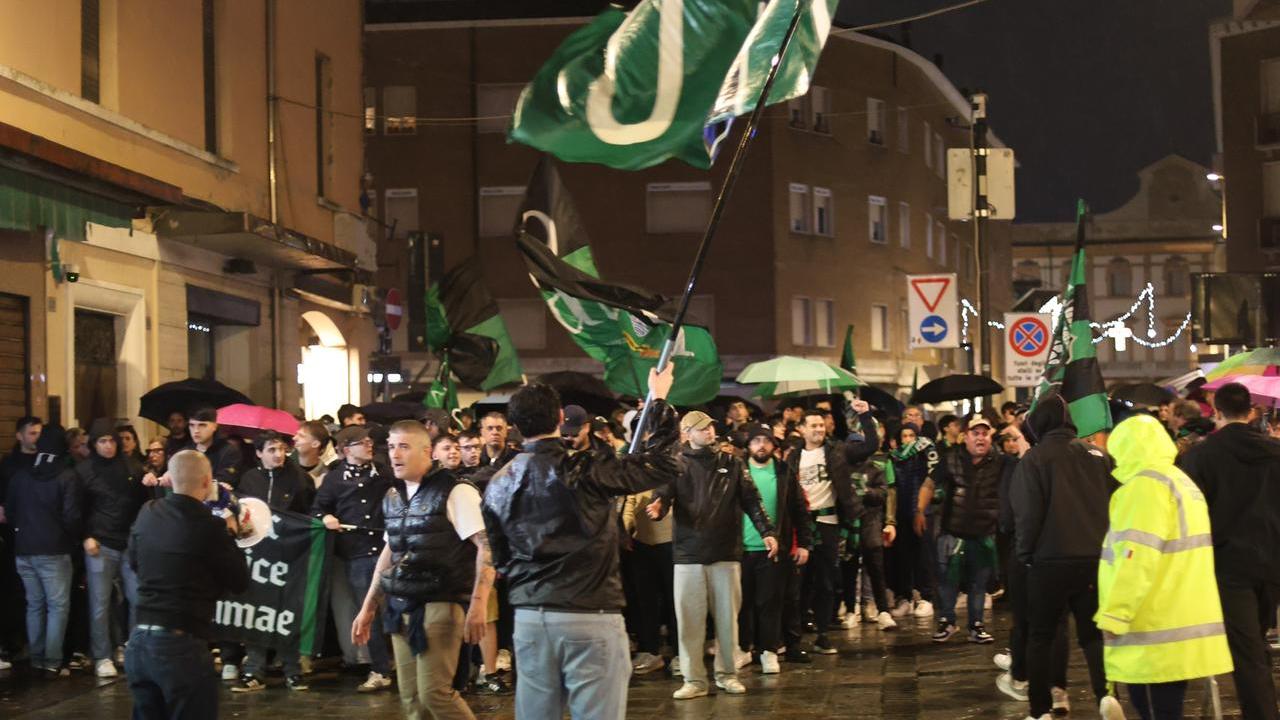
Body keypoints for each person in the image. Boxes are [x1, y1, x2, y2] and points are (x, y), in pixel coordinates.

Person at [481, 367, 680, 720]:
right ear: (560, 417)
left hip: (530, 615)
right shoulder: (587, 469)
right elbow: (663, 463)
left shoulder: (499, 483)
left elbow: (500, 557)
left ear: (514, 425)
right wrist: (659, 400)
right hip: (590, 615)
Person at [351, 420, 493, 720]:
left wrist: (478, 606)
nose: (394, 454)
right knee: (412, 700)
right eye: (390, 446)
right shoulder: (393, 496)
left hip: (441, 603)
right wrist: (368, 608)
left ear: (427, 451)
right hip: (401, 604)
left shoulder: (456, 491)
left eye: (403, 446)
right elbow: (389, 553)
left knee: (435, 694)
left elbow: (486, 547)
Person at [1096, 414, 1233, 720]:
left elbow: (1136, 557)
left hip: (1152, 628)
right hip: (1180, 621)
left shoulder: (1143, 488)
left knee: (1155, 711)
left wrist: (1116, 614)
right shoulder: (1181, 482)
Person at [647, 411, 777, 699]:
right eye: (702, 428)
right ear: (686, 433)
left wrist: (767, 530)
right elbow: (663, 494)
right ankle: (693, 680)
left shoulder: (731, 462)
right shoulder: (676, 465)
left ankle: (727, 674)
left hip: (725, 552)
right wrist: (658, 506)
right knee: (689, 622)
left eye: (710, 427)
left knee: (728, 621)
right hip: (688, 554)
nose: (709, 431)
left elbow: (751, 499)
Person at [1012, 392, 1119, 720]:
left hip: (1050, 560)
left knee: (1041, 636)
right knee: (1092, 635)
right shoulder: (1098, 456)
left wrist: (1026, 553)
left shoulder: (1034, 459)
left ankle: (1040, 708)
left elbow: (1028, 513)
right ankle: (1105, 696)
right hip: (1094, 559)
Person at [1180, 381, 1280, 720]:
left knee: (1247, 647)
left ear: (1216, 411)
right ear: (1250, 411)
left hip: (1227, 565)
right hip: (1272, 561)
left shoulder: (1200, 456)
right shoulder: (1275, 451)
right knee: (1256, 639)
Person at [125, 450, 250, 720]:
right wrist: (231, 532)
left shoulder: (148, 512)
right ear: (207, 482)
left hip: (139, 642)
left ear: (171, 479)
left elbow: (134, 561)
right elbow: (239, 580)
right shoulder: (210, 526)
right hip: (181, 645)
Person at [232, 431, 315, 692]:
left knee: (286, 613)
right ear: (258, 453)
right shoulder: (249, 478)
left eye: (281, 449)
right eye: (271, 449)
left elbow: (308, 514)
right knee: (256, 614)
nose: (278, 454)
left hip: (288, 557)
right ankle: (254, 670)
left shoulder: (300, 479)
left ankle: (293, 670)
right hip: (256, 559)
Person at [315, 425, 394, 693]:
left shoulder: (384, 471)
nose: (369, 445)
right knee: (369, 612)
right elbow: (319, 507)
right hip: (357, 553)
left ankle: (403, 664)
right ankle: (381, 668)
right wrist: (326, 517)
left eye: (370, 440)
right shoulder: (335, 479)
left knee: (397, 610)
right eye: (362, 442)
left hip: (388, 549)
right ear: (347, 449)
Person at [922, 415, 1010, 644]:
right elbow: (929, 483)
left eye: (984, 433)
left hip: (984, 533)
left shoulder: (1000, 460)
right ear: (966, 436)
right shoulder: (951, 458)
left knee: (979, 584)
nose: (980, 438)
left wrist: (1018, 435)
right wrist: (919, 511)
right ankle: (947, 621)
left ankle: (976, 625)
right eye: (975, 433)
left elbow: (1026, 458)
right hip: (953, 532)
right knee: (947, 581)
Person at [5, 421, 80, 676]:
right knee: (57, 606)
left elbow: (11, 512)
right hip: (55, 550)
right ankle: (52, 661)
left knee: (34, 605)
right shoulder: (66, 476)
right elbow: (72, 516)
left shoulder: (21, 475)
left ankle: (37, 658)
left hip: (23, 549)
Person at [736, 423, 811, 675]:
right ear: (748, 445)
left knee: (770, 602)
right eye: (756, 440)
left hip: (773, 548)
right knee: (742, 603)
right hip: (740, 549)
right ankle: (744, 648)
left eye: (766, 441)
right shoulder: (737, 470)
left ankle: (769, 650)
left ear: (773, 446)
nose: (761, 445)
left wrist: (803, 543)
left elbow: (800, 510)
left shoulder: (783, 471)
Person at [785, 409, 860, 656]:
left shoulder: (836, 452)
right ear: (802, 429)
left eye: (821, 425)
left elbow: (870, 445)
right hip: (801, 524)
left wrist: (865, 416)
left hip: (828, 522)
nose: (818, 429)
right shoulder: (793, 457)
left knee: (827, 581)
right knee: (798, 583)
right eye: (813, 425)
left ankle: (823, 635)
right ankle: (792, 638)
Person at [77, 420, 148, 678]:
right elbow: (78, 508)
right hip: (100, 543)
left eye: (111, 441)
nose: (108, 446)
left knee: (137, 598)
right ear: (94, 444)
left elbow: (144, 501)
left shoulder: (131, 467)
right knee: (99, 603)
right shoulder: (84, 471)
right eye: (102, 441)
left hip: (128, 541)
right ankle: (102, 656)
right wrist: (86, 536)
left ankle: (134, 649)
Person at [891, 422, 940, 619]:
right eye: (904, 436)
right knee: (904, 557)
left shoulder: (925, 451)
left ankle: (926, 597)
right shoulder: (894, 457)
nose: (908, 439)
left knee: (924, 556)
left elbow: (932, 479)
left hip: (922, 512)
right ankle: (906, 597)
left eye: (912, 435)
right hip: (901, 514)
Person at [182, 407, 244, 486]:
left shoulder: (229, 451)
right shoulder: (184, 452)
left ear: (214, 426)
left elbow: (227, 478)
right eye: (192, 425)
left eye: (202, 425)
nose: (196, 430)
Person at [293, 420, 339, 489]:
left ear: (315, 444)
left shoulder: (326, 476)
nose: (294, 438)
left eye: (301, 436)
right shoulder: (286, 467)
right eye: (296, 434)